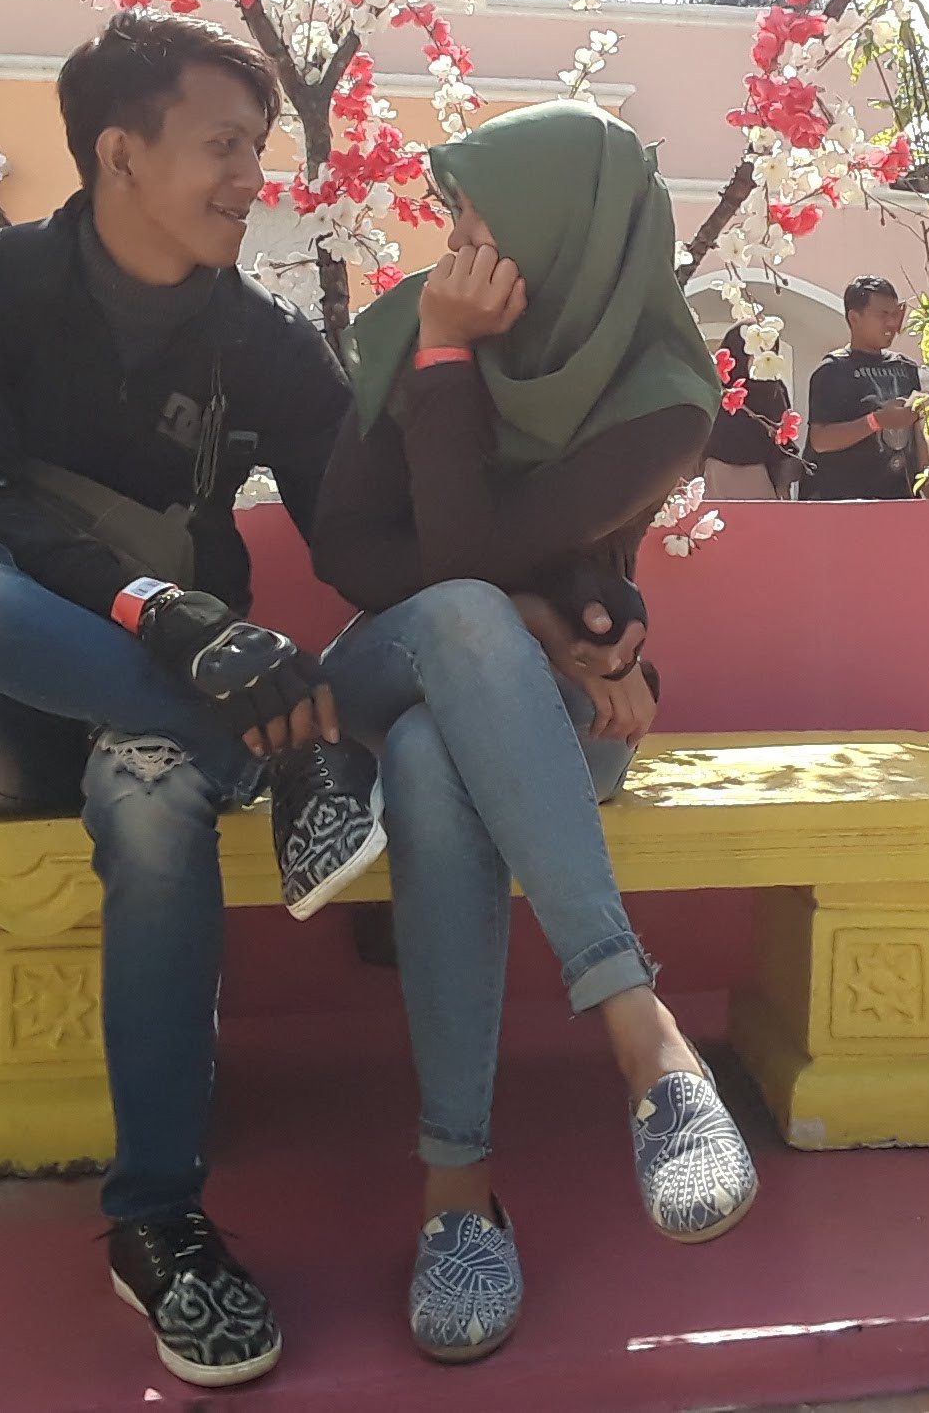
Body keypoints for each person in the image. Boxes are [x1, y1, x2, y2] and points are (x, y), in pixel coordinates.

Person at [0, 12, 378, 1390]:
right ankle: (273, 762)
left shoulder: (263, 344)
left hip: (170, 715)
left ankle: (157, 1227)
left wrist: (569, 597)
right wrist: (158, 613)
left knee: (146, 791)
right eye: (223, 145)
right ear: (120, 152)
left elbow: (373, 541)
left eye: (259, 147)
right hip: (5, 708)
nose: (252, 177)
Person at [311, 101, 761, 1366]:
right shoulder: (416, 330)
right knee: (460, 620)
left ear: (568, 231)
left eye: (482, 217)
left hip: (561, 708)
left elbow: (480, 541)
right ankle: (645, 1038)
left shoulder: (659, 396)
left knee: (432, 759)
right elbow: (357, 552)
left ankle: (456, 1193)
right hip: (399, 659)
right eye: (452, 215)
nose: (456, 243)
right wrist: (443, 358)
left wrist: (560, 613)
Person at [800, 277, 927, 500]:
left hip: (901, 499)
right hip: (844, 503)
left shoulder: (906, 368)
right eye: (882, 315)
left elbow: (917, 438)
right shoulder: (833, 370)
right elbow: (819, 440)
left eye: (894, 314)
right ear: (854, 318)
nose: (891, 323)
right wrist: (876, 421)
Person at [697, 324, 797, 501]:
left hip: (759, 481)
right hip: (715, 479)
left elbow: (781, 440)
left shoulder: (773, 390)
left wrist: (783, 488)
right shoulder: (715, 388)